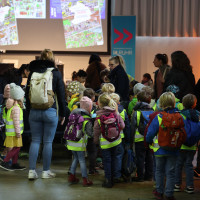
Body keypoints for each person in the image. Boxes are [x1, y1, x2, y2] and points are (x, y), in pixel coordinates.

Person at [25, 49, 66, 180]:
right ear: (52, 59)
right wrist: (63, 113)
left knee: (35, 141)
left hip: (34, 111)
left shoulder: (32, 72)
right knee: (48, 142)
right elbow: (61, 95)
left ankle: (31, 171)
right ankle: (45, 171)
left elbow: (27, 94)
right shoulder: (55, 73)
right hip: (50, 111)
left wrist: (29, 110)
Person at [146, 92, 182, 200]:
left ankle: (159, 191)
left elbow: (150, 133)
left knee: (159, 171)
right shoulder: (179, 117)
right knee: (171, 172)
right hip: (174, 150)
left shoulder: (159, 117)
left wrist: (148, 142)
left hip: (159, 149)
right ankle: (169, 194)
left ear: (161, 103)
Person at [93, 93, 125, 188]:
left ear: (99, 104)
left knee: (107, 161)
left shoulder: (98, 116)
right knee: (116, 159)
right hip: (116, 141)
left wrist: (95, 141)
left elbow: (96, 131)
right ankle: (116, 177)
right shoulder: (115, 113)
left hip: (105, 143)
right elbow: (122, 126)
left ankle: (108, 180)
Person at [174, 94, 199, 194]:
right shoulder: (198, 115)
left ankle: (177, 185)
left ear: (183, 104)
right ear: (194, 104)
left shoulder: (180, 115)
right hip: (192, 145)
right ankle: (190, 186)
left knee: (178, 164)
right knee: (189, 165)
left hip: (180, 144)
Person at [67, 96, 93, 186]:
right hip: (80, 143)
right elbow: (90, 133)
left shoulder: (73, 115)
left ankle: (72, 176)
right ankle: (85, 179)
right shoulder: (86, 118)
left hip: (70, 141)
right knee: (82, 160)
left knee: (75, 158)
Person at [0, 83, 26, 171]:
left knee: (16, 148)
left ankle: (14, 163)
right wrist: (18, 132)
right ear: (18, 97)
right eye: (22, 96)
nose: (23, 98)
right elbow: (16, 122)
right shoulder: (16, 108)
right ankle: (6, 161)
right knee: (17, 147)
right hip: (15, 132)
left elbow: (4, 118)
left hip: (11, 132)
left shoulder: (10, 107)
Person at [131, 90, 153, 182]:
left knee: (140, 158)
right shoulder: (153, 111)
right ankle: (149, 176)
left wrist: (131, 139)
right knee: (149, 157)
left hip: (139, 139)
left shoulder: (136, 112)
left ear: (139, 100)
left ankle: (140, 176)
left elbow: (133, 127)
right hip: (150, 139)